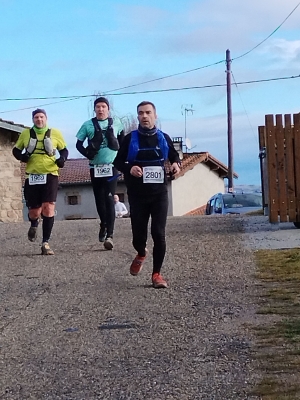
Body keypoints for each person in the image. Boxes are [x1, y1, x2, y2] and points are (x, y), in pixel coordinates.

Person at [113, 101, 181, 288]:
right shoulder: (129, 139)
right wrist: (130, 168)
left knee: (159, 234)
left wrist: (176, 164)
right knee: (139, 237)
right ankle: (142, 253)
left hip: (159, 193)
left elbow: (174, 156)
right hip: (137, 194)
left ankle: (157, 274)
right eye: (141, 113)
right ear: (138, 117)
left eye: (148, 112)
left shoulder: (163, 137)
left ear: (155, 115)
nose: (144, 116)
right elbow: (118, 161)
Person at [12, 108, 68, 255]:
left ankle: (45, 242)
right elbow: (16, 150)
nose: (39, 119)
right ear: (33, 120)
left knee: (48, 207)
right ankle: (34, 223)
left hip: (50, 173)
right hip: (32, 175)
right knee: (34, 212)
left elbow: (64, 150)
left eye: (41, 117)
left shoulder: (55, 133)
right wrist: (22, 157)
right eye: (36, 117)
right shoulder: (26, 134)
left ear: (46, 118)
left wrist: (62, 159)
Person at [76, 97, 124, 250]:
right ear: (95, 109)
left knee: (109, 198)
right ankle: (103, 224)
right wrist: (87, 154)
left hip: (111, 167)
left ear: (108, 109)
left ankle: (110, 235)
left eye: (103, 106)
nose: (101, 109)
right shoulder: (87, 125)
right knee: (99, 199)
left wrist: (122, 160)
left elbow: (122, 142)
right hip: (95, 167)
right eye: (98, 107)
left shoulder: (117, 123)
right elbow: (78, 144)